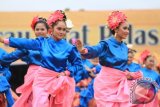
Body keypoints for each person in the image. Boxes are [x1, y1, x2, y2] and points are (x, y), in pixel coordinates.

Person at [0, 10, 83, 107]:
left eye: (64, 30)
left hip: (58, 79)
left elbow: (78, 64)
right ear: (51, 29)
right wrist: (4, 40)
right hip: (42, 78)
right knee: (39, 103)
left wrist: (66, 73)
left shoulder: (69, 47)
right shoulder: (43, 42)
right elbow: (25, 42)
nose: (61, 32)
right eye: (59, 29)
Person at [75, 11, 139, 107]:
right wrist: (83, 50)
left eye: (128, 28)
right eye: (125, 28)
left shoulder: (125, 47)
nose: (128, 31)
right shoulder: (106, 44)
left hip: (121, 84)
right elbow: (95, 50)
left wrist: (130, 74)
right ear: (116, 29)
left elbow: (123, 66)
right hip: (107, 84)